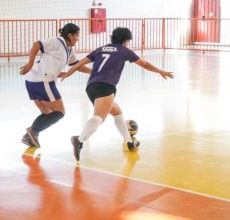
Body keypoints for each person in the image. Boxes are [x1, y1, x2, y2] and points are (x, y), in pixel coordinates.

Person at [61, 27, 174, 161]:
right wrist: (160, 71)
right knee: (99, 118)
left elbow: (80, 63)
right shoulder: (124, 51)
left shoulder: (101, 49)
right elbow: (144, 64)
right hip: (106, 86)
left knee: (117, 113)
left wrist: (69, 73)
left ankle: (129, 142)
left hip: (91, 86)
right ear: (126, 41)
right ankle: (79, 140)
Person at [19, 23, 91, 148]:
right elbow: (37, 45)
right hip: (43, 81)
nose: (78, 38)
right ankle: (32, 132)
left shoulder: (69, 50)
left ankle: (30, 136)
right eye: (77, 35)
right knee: (59, 112)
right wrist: (30, 64)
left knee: (47, 113)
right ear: (70, 35)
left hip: (34, 80)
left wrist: (92, 72)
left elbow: (76, 66)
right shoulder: (57, 42)